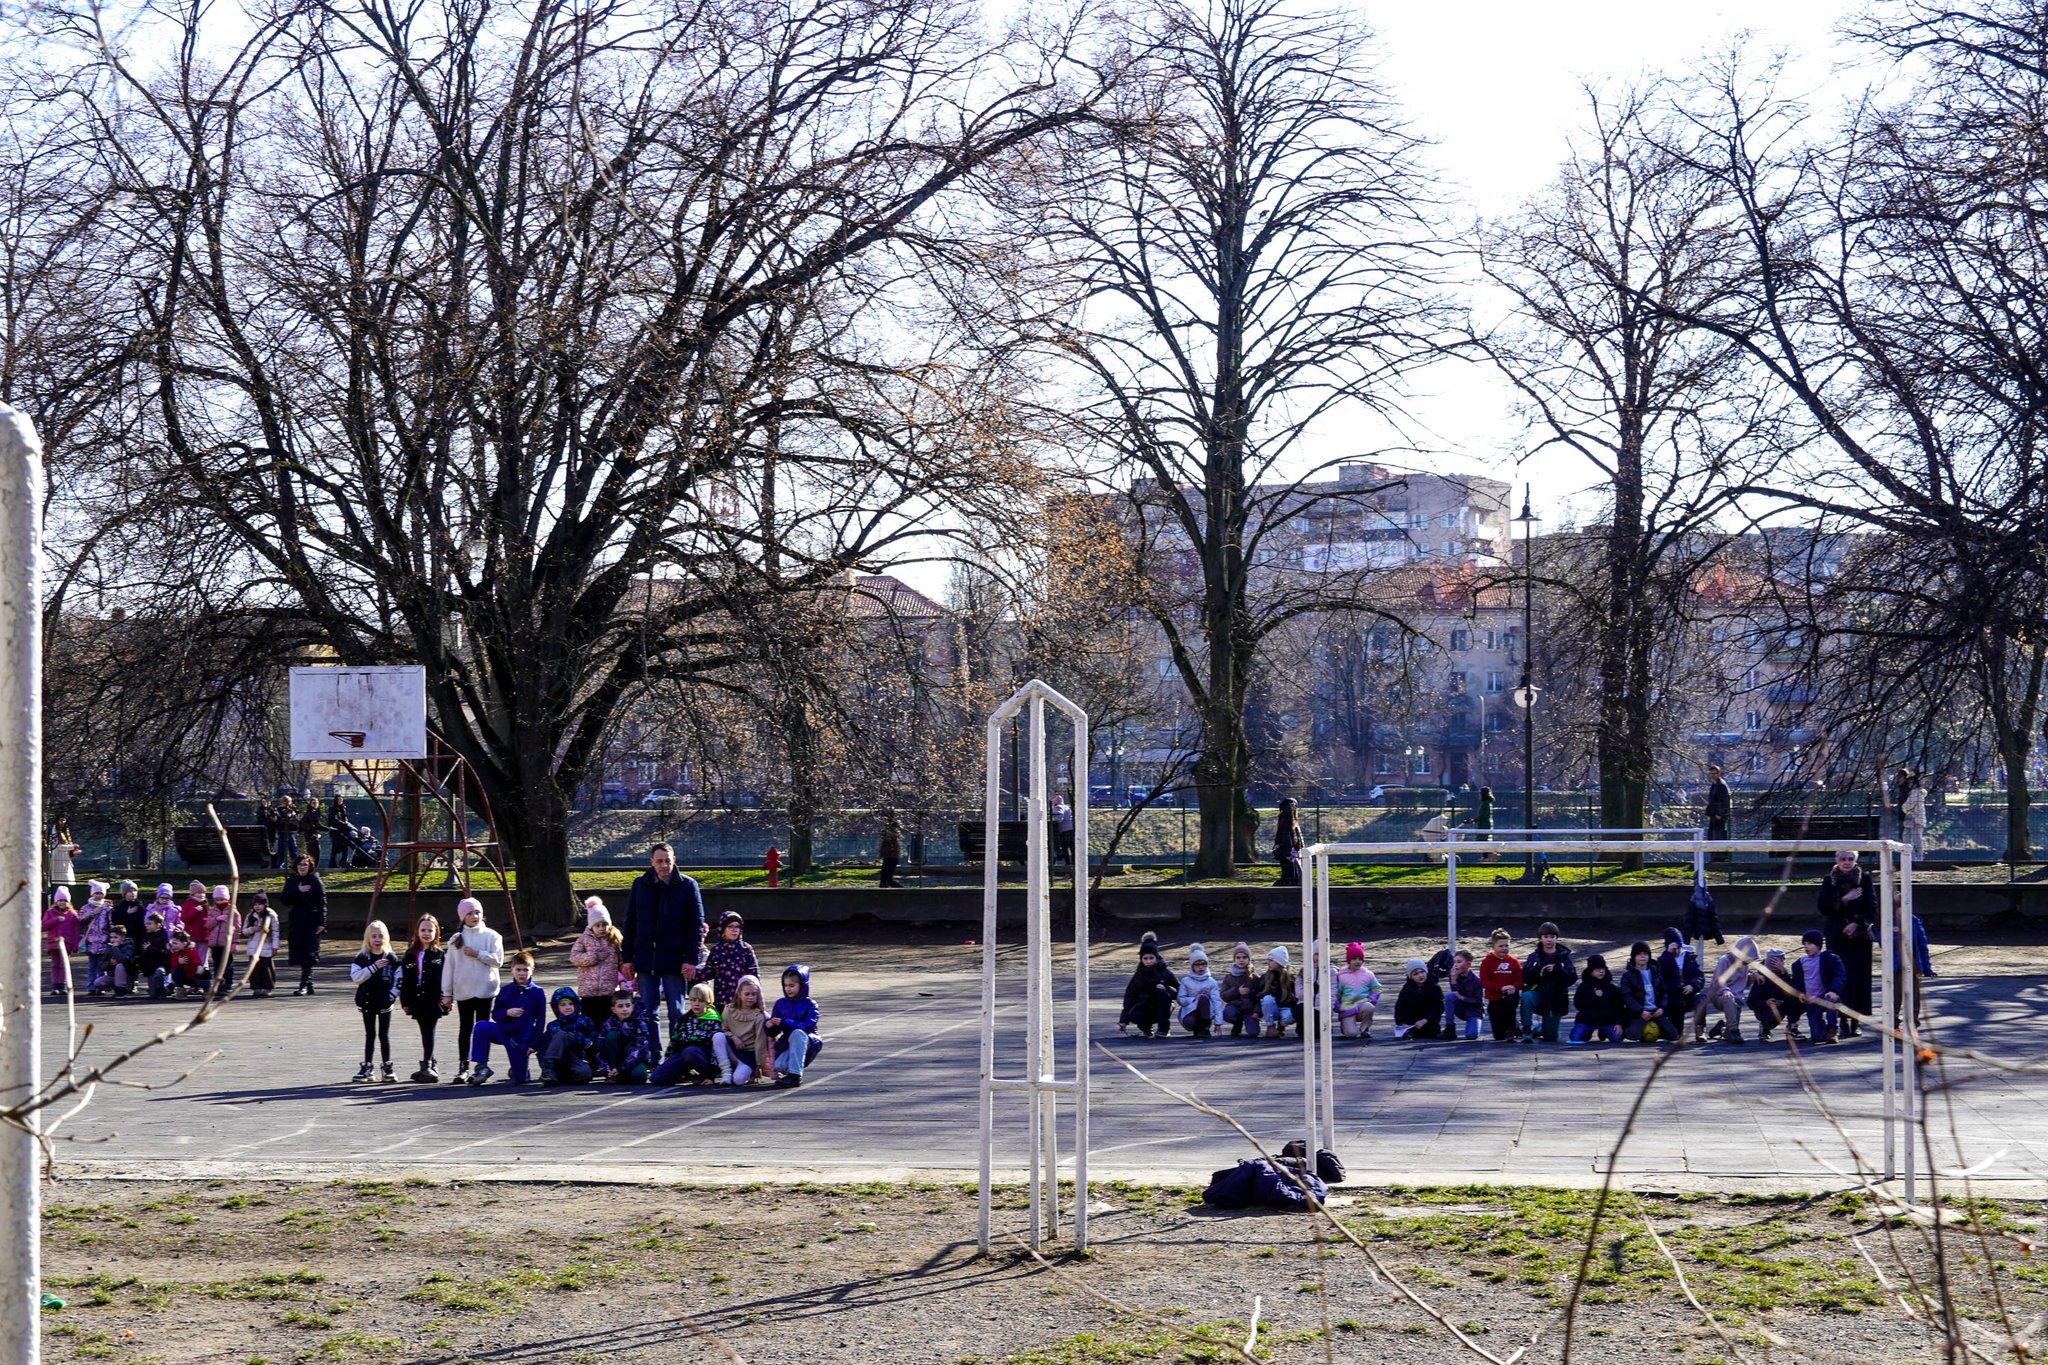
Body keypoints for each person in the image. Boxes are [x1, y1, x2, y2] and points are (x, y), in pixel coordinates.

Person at [619, 842, 706, 1038]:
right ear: (652, 862)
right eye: (659, 861)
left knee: (677, 1012)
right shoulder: (640, 885)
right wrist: (627, 958)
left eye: (668, 861)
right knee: (648, 1013)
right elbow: (630, 922)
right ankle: (653, 1053)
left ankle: (676, 1052)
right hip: (645, 960)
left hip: (675, 961)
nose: (664, 865)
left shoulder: (688, 886)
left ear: (674, 860)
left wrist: (691, 960)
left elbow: (696, 925)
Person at [441, 898, 505, 1084]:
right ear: (462, 917)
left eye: (477, 912)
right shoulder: (456, 940)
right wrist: (447, 993)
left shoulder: (492, 936)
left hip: (486, 990)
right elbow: (449, 967)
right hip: (464, 991)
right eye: (469, 913)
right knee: (465, 1028)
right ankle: (463, 1066)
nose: (474, 916)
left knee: (482, 1028)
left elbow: (498, 961)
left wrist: (478, 954)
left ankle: (482, 1065)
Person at [466, 950, 545, 1086]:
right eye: (518, 970)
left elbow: (540, 1021)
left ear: (532, 971)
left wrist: (533, 1044)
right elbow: (495, 1015)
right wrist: (506, 1013)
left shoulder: (537, 992)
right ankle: (482, 1067)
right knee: (481, 1026)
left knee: (520, 1080)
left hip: (521, 1039)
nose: (521, 973)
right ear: (512, 970)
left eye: (525, 970)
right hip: (503, 1031)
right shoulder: (505, 990)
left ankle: (517, 1069)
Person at [1818, 850, 1876, 1038]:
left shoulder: (1864, 879)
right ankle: (1841, 1019)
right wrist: (1844, 899)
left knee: (1859, 978)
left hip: (1860, 939)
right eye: (1843, 859)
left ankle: (1855, 1021)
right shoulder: (1829, 880)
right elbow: (1823, 907)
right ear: (1837, 860)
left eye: (1850, 859)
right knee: (1839, 977)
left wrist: (1857, 924)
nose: (1847, 862)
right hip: (1837, 937)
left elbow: (1872, 907)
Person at [349, 921, 402, 1083]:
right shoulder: (362, 957)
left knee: (384, 1035)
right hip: (367, 1001)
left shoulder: (391, 958)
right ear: (368, 938)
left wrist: (392, 995)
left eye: (380, 936)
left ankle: (387, 1067)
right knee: (370, 1034)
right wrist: (373, 967)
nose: (377, 939)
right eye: (374, 936)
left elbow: (399, 979)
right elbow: (356, 977)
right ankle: (367, 1067)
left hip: (385, 1002)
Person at [400, 915, 449, 1082]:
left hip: (433, 999)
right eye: (423, 930)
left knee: (429, 1029)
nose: (426, 933)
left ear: (436, 932)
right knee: (424, 1030)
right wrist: (405, 1001)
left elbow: (446, 978)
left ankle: (427, 1065)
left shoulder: (440, 955)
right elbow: (405, 980)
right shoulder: (410, 954)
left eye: (430, 930)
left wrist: (447, 997)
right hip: (417, 999)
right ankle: (430, 1064)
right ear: (417, 932)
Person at [650, 983, 723, 1086]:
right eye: (693, 1000)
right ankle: (686, 1074)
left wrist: (711, 1075)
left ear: (708, 1002)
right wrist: (668, 1062)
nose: (696, 1004)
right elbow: (673, 1043)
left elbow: (715, 1051)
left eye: (701, 1001)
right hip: (682, 1056)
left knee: (690, 1052)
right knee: (656, 1078)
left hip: (702, 1056)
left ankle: (702, 1075)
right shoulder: (683, 1019)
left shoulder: (714, 1021)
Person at [277, 855, 327, 996]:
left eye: (305, 864)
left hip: (311, 921)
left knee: (308, 953)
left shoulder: (315, 881)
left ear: (310, 866)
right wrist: (297, 890)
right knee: (299, 952)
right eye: (300, 864)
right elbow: (284, 899)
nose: (302, 867)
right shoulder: (292, 880)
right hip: (296, 921)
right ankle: (309, 983)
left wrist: (322, 923)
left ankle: (303, 984)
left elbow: (322, 903)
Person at [1693, 937, 1758, 1044]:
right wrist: (1725, 990)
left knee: (1728, 1035)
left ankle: (1722, 1028)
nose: (1748, 962)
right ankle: (1734, 1031)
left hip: (1736, 999)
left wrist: (1753, 977)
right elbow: (1719, 979)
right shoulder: (1725, 960)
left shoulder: (1744, 965)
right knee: (1729, 1001)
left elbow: (1742, 982)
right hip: (1720, 995)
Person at [569, 897, 623, 1021]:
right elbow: (574, 957)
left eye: (604, 925)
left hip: (608, 990)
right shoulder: (584, 939)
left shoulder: (614, 939)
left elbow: (622, 960)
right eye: (597, 925)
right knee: (590, 1020)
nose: (601, 928)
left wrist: (624, 980)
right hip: (588, 991)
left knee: (607, 1020)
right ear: (591, 926)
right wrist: (594, 957)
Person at [1518, 922, 1573, 1044]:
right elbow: (1525, 977)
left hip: (1555, 997)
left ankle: (1540, 1029)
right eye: (1546, 936)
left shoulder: (1563, 956)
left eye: (1552, 937)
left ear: (1557, 938)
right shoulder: (1534, 956)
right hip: (1538, 992)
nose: (1549, 940)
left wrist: (1557, 970)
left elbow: (1571, 978)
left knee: (1551, 1037)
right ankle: (1527, 1029)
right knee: (1526, 996)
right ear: (1540, 938)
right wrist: (1538, 971)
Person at [768, 964, 821, 1087]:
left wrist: (785, 1022)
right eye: (785, 985)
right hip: (788, 1042)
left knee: (798, 1033)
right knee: (780, 1066)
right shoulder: (780, 1003)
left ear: (802, 985)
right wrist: (770, 1025)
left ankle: (795, 1076)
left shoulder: (810, 1004)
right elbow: (774, 1032)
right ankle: (792, 1070)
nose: (788, 989)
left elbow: (808, 1026)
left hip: (808, 1040)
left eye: (792, 986)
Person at [1118, 933, 1177, 1038]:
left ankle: (1163, 1029)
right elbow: (1129, 997)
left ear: (1156, 958)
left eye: (1151, 958)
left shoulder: (1165, 972)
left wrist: (1167, 990)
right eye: (1145, 958)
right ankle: (1146, 1028)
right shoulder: (1138, 975)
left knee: (1161, 994)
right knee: (1135, 1014)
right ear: (1141, 959)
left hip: (1163, 1006)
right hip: (1144, 1006)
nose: (1148, 961)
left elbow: (1180, 990)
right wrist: (1123, 1020)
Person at [1793, 930, 1847, 1045]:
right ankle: (1822, 1031)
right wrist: (1800, 993)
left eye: (1810, 944)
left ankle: (1832, 1030)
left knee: (1832, 1000)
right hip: (1812, 1000)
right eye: (1804, 944)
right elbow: (1798, 981)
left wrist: (1833, 990)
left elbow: (1839, 975)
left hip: (1826, 996)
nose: (1806, 946)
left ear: (1818, 945)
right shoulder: (1800, 963)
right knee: (1817, 1037)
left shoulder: (1829, 958)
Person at [720, 974, 774, 1086]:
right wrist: (733, 1037)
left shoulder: (758, 1016)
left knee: (739, 1081)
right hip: (732, 1050)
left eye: (754, 994)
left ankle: (745, 1070)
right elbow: (723, 1029)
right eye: (747, 994)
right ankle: (726, 1073)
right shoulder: (729, 1010)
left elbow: (760, 1042)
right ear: (739, 994)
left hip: (748, 1054)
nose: (750, 997)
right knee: (718, 1037)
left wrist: (758, 1065)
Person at [538, 987, 598, 1086]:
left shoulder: (584, 1020)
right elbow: (544, 1048)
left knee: (585, 1074)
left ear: (576, 1005)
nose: (568, 1007)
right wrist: (544, 1065)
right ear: (556, 1007)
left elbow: (594, 1040)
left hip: (577, 1057)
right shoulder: (553, 1025)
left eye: (571, 1004)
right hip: (557, 1059)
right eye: (563, 1005)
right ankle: (549, 1070)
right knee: (561, 1034)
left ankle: (563, 1076)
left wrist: (581, 1039)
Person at [1886, 909, 1935, 1028]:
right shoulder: (1889, 921)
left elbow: (1922, 946)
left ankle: (1913, 1023)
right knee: (1896, 996)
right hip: (1896, 965)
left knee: (1914, 996)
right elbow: (1884, 941)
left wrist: (1927, 968)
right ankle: (1894, 1023)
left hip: (1913, 965)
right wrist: (1898, 937)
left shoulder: (1914, 921)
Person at [1619, 941, 1672, 1043]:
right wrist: (1640, 1011)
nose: (1642, 956)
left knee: (1673, 1035)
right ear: (1633, 957)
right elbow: (1627, 996)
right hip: (1639, 1012)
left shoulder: (1655, 972)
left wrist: (1661, 1008)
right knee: (1633, 1034)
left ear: (1649, 956)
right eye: (1639, 954)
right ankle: (1635, 1027)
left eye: (1645, 954)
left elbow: (1664, 993)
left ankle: (1653, 1029)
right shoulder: (1628, 975)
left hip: (1655, 1011)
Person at [596, 995, 656, 1084]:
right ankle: (613, 1074)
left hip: (634, 1061)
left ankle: (622, 1075)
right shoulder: (608, 1024)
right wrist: (605, 1069)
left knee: (640, 1075)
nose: (624, 1009)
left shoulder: (640, 1024)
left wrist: (621, 1068)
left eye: (628, 1006)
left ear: (633, 1007)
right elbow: (599, 1050)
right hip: (616, 1061)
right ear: (613, 1009)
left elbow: (640, 1050)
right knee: (611, 1035)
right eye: (620, 1006)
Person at [706, 911, 760, 1008]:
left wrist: (755, 996)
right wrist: (692, 972)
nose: (734, 930)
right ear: (723, 929)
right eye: (730, 926)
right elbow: (709, 972)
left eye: (737, 927)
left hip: (741, 1000)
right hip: (721, 999)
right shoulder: (716, 949)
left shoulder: (746, 949)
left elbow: (754, 975)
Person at [1656, 927, 1704, 1037]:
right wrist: (1668, 954)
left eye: (1678, 946)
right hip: (1672, 997)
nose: (1677, 949)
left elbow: (1700, 977)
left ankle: (1700, 1029)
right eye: (1674, 947)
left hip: (1689, 994)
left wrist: (1692, 985)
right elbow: (1661, 975)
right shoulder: (1664, 959)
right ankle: (1677, 1031)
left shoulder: (1689, 957)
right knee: (1675, 1032)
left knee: (1702, 999)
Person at [1478, 929, 1523, 1042]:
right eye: (1501, 946)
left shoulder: (1514, 962)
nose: (1504, 948)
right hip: (1494, 998)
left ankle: (1511, 1029)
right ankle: (1514, 1026)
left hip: (1510, 995)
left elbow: (1520, 980)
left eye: (1506, 945)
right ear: (1493, 946)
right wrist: (1500, 987)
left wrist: (1513, 987)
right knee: (1498, 1036)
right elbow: (1484, 981)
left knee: (1509, 1005)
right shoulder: (1486, 962)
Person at [1749, 947, 1802, 1043]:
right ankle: (1765, 1028)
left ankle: (1792, 1027)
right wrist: (1766, 1002)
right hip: (1767, 1008)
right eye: (1778, 960)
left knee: (1798, 1000)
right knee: (1775, 1014)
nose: (1782, 962)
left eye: (1782, 960)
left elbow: (1792, 991)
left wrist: (1784, 974)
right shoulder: (1761, 977)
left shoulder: (1784, 974)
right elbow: (1752, 1002)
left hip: (1783, 1003)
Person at [1570, 954, 1624, 1044]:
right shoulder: (1584, 986)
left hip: (1606, 1020)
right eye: (1597, 969)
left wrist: (1619, 1023)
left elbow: (1618, 1006)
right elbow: (1578, 1004)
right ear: (1591, 972)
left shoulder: (1611, 987)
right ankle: (1588, 1033)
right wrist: (1593, 996)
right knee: (1575, 1038)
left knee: (1617, 1038)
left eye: (1603, 969)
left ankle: (1603, 1032)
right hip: (1587, 1020)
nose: (1601, 971)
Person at [1332, 943, 1381, 1040]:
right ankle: (1345, 1026)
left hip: (1362, 1004)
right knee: (1352, 1034)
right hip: (1347, 1008)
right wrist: (1338, 1005)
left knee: (1369, 1007)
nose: (1357, 962)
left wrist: (1372, 998)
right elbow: (1336, 993)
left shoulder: (1368, 974)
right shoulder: (1341, 976)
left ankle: (1365, 1029)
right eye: (1354, 959)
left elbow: (1377, 988)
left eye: (1360, 959)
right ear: (1349, 960)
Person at [1176, 944, 1224, 1039]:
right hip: (1190, 1011)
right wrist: (1194, 999)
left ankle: (1205, 1028)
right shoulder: (1186, 981)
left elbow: (1217, 1002)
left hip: (1207, 1012)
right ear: (1192, 966)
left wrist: (1218, 1023)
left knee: (1204, 998)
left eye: (1203, 964)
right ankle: (1197, 1029)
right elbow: (1180, 999)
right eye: (1197, 965)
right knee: (1191, 1020)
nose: (1201, 967)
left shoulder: (1211, 982)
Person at [240, 892, 279, 998]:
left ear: (265, 904)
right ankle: (256, 987)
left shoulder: (271, 915)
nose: (257, 907)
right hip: (254, 946)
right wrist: (253, 929)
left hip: (266, 946)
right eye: (255, 904)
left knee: (266, 968)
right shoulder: (251, 915)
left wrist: (275, 946)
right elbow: (244, 931)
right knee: (254, 968)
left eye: (260, 904)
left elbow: (275, 932)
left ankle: (267, 987)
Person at [42, 889, 79, 996]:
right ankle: (55, 986)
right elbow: (44, 926)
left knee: (64, 964)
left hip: (67, 943)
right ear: (56, 901)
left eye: (65, 900)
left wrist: (75, 944)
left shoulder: (72, 914)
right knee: (55, 964)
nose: (62, 902)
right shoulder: (50, 912)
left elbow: (76, 930)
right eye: (60, 900)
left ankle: (62, 985)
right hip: (54, 943)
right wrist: (56, 919)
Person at [1391, 959, 1442, 1039]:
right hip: (1411, 1023)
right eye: (1416, 974)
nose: (1420, 975)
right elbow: (1399, 1007)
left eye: (1422, 972)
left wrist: (1425, 1020)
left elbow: (1438, 1007)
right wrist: (1400, 1022)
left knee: (1430, 1031)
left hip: (1428, 1022)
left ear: (1426, 972)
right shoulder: (1407, 988)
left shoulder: (1434, 987)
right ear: (1411, 977)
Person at [1218, 942, 1260, 1038]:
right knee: (1228, 1014)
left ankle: (1251, 1022)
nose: (1241, 960)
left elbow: (1260, 996)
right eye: (1238, 957)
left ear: (1249, 959)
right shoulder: (1229, 977)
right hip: (1235, 1007)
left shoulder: (1255, 977)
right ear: (1234, 959)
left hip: (1250, 1009)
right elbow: (1223, 995)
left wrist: (1257, 1012)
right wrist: (1237, 991)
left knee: (1253, 1033)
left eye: (1244, 957)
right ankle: (1237, 1024)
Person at [204, 886, 239, 998]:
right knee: (217, 965)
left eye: (222, 899)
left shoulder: (233, 911)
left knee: (227, 965)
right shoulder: (212, 911)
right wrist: (217, 919)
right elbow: (208, 925)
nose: (219, 902)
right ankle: (218, 985)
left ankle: (227, 985)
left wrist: (234, 943)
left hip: (226, 943)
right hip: (215, 944)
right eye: (217, 899)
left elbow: (237, 929)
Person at [80, 883, 113, 996]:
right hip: (90, 941)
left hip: (103, 941)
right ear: (92, 893)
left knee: (102, 966)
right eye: (96, 893)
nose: (98, 895)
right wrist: (92, 913)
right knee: (92, 966)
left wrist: (111, 937)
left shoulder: (107, 909)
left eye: (101, 893)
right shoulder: (86, 908)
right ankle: (91, 986)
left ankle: (100, 986)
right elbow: (80, 921)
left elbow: (111, 923)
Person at [1257, 945, 1298, 1039]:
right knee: (1267, 999)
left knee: (1290, 1017)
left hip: (1285, 1007)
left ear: (1279, 962)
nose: (1269, 963)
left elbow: (1295, 996)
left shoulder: (1290, 978)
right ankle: (1270, 1026)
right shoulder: (1265, 977)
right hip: (1272, 1008)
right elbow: (1259, 993)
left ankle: (1281, 1025)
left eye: (1272, 960)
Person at [1442, 951, 1484, 1040]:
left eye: (1459, 962)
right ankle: (1449, 1027)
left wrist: (1463, 998)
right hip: (1460, 1008)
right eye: (1454, 962)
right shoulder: (1453, 975)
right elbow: (1454, 994)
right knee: (1449, 996)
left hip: (1473, 1011)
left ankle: (1473, 1023)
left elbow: (1478, 1002)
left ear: (1469, 964)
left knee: (1471, 1035)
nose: (1456, 965)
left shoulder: (1476, 980)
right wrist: (1453, 980)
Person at [137, 911, 174, 998]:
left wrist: (150, 948)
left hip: (161, 964)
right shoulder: (146, 936)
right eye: (146, 923)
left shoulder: (163, 937)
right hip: (150, 966)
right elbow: (143, 950)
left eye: (149, 923)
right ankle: (167, 988)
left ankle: (162, 989)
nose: (146, 925)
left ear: (158, 925)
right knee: (153, 994)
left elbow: (164, 953)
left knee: (159, 972)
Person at [1273, 799, 1304, 887]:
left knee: (1293, 876)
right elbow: (1285, 838)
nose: (1295, 808)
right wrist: (1288, 853)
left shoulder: (1289, 820)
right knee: (1291, 877)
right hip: (1289, 854)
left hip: (1291, 853)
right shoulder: (1287, 820)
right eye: (1293, 806)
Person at [1900, 773, 1929, 863]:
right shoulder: (1914, 792)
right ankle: (1911, 859)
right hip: (1911, 819)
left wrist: (1903, 808)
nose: (1908, 784)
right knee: (1907, 838)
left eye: (1910, 782)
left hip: (1916, 819)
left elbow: (1908, 805)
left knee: (1916, 840)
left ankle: (1919, 859)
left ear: (1914, 783)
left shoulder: (1917, 793)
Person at [47, 817, 79, 895]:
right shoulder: (55, 832)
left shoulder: (65, 832)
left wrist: (72, 850)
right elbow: (56, 846)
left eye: (64, 820)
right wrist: (72, 847)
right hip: (58, 858)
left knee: (69, 880)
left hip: (65, 859)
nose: (63, 822)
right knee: (60, 881)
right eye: (61, 820)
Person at [1704, 764, 1731, 843]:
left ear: (1718, 774)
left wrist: (1719, 814)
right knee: (1712, 837)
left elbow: (1724, 801)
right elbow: (1711, 800)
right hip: (1714, 815)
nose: (1712, 776)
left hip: (1719, 816)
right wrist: (1708, 813)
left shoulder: (1721, 785)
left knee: (1719, 837)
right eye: (1711, 774)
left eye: (1714, 773)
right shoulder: (1714, 784)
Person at [272, 795, 300, 869]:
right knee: (282, 850)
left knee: (293, 849)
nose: (286, 803)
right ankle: (280, 866)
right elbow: (276, 820)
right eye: (285, 801)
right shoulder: (278, 809)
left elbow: (295, 819)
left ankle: (295, 865)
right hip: (282, 832)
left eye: (288, 801)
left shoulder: (292, 809)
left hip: (290, 832)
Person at [878, 814, 903, 888]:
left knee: (886, 876)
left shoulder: (890, 832)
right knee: (886, 876)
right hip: (891, 855)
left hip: (890, 855)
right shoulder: (893, 831)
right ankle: (886, 887)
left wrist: (884, 851)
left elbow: (889, 843)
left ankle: (901, 889)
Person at [326, 795, 351, 867]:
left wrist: (346, 823)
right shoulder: (332, 809)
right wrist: (343, 824)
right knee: (335, 847)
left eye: (341, 799)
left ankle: (343, 861)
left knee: (345, 846)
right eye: (339, 799)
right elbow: (334, 819)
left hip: (343, 830)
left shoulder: (343, 808)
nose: (340, 801)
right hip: (335, 830)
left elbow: (345, 818)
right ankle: (332, 864)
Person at [1052, 796, 1075, 866]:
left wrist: (1054, 819)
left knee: (1064, 848)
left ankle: (1067, 863)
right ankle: (1074, 862)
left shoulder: (1058, 807)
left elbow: (1059, 818)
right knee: (1072, 847)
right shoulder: (1067, 807)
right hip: (1071, 829)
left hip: (1064, 830)